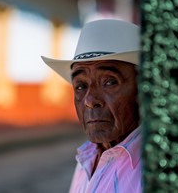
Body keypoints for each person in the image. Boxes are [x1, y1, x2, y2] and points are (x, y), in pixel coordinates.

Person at [41, 19, 142, 192]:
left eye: (109, 82)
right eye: (80, 86)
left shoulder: (157, 170)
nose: (90, 100)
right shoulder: (87, 157)